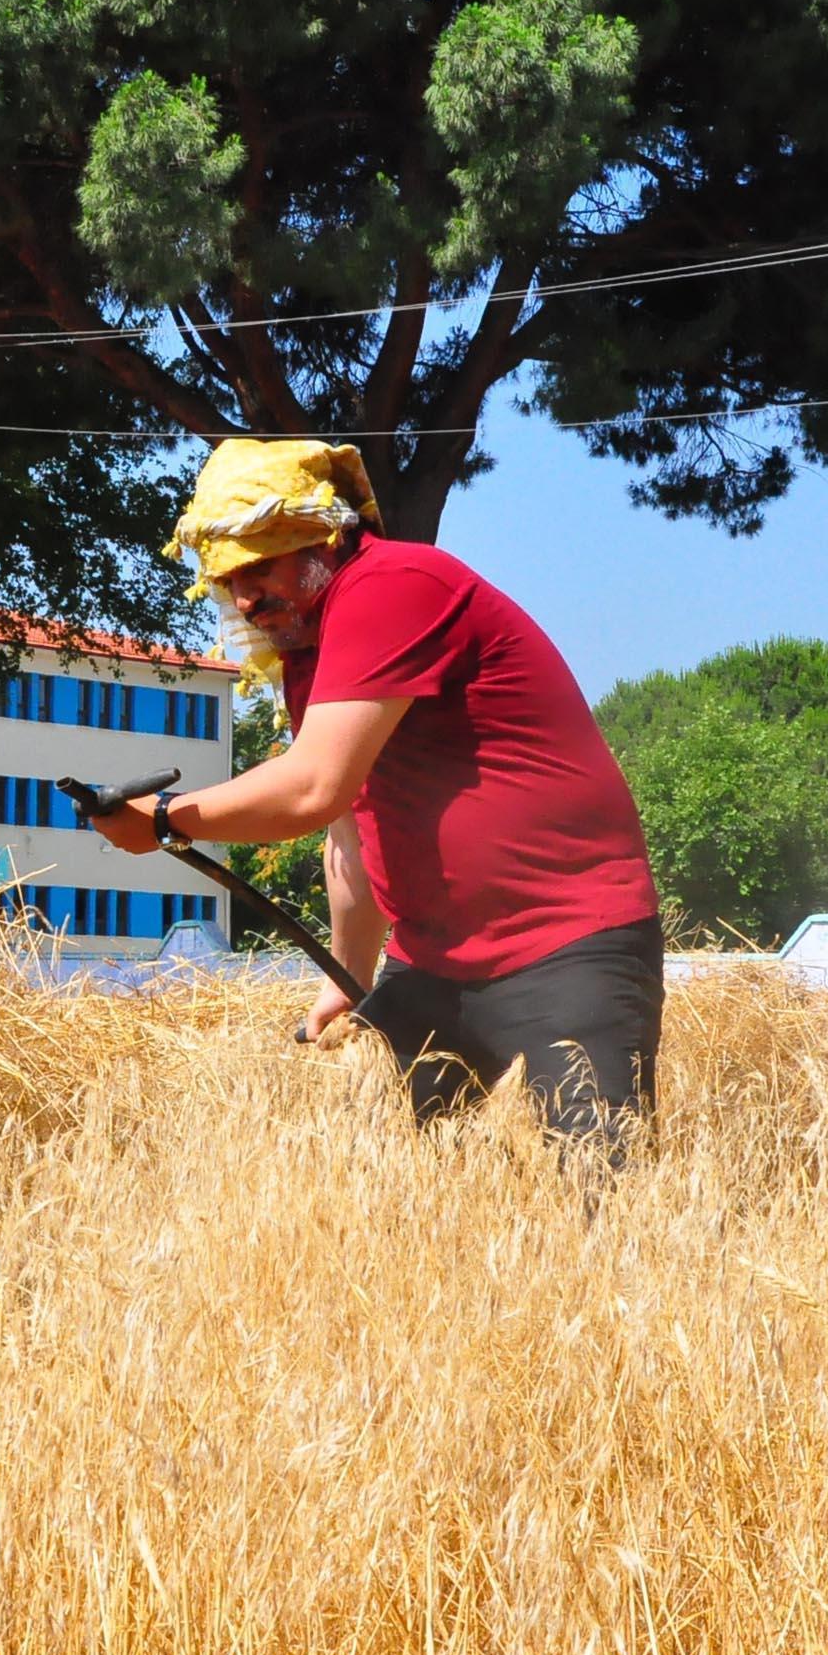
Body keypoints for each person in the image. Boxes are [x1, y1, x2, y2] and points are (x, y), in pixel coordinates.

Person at [90, 438, 664, 1147]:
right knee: (367, 1183)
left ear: (319, 542)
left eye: (259, 568)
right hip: (433, 964)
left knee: (608, 1195)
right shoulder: (307, 650)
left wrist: (171, 819)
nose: (243, 597)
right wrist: (352, 974)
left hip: (569, 945)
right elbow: (351, 827)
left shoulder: (392, 584)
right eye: (227, 579)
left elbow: (314, 789)